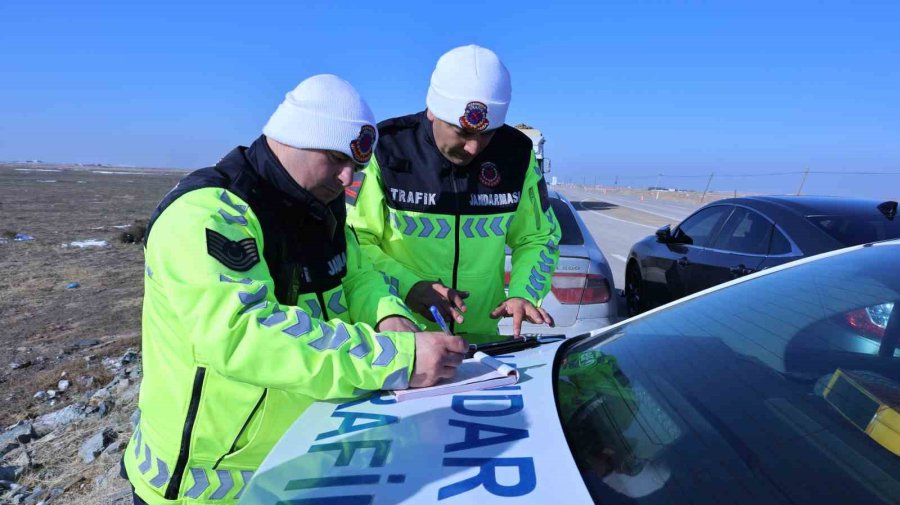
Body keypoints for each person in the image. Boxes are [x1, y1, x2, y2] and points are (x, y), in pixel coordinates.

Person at [122, 75, 467, 504]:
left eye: (357, 168)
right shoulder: (209, 213)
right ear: (295, 137)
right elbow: (243, 334)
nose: (347, 178)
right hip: (207, 484)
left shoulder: (320, 204)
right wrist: (398, 360)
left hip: (302, 461)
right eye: (337, 158)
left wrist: (387, 314)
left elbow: (356, 274)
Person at [346, 45, 561, 342]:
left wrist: (525, 292)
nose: (474, 148)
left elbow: (538, 238)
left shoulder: (517, 154)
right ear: (433, 110)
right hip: (401, 341)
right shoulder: (387, 149)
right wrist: (409, 286)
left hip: (480, 341)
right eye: (463, 132)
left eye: (487, 134)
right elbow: (356, 243)